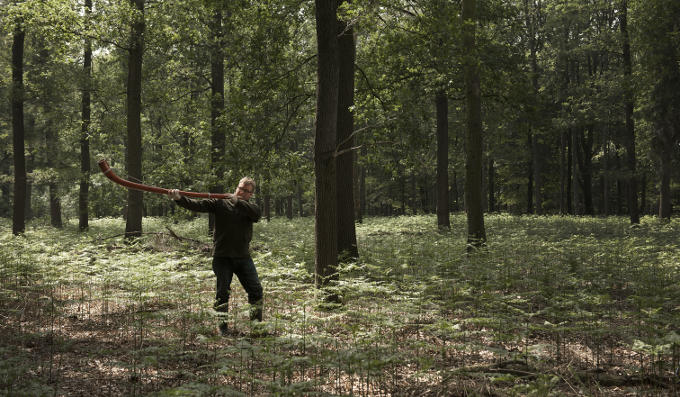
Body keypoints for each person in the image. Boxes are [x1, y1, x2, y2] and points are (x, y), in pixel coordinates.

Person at [167, 177, 262, 336]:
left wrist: (237, 202)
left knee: (256, 291)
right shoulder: (221, 202)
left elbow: (256, 215)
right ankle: (223, 328)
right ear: (236, 187)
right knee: (222, 293)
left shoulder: (251, 208)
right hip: (222, 257)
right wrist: (179, 198)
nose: (242, 192)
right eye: (240, 188)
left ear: (251, 194)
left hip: (243, 257)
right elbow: (198, 205)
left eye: (246, 191)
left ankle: (257, 327)